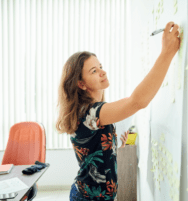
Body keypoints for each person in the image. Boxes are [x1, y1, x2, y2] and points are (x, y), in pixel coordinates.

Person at [56, 21, 180, 201]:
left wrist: (112, 147)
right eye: (94, 71)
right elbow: (137, 101)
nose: (103, 72)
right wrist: (167, 52)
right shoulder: (91, 113)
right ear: (81, 84)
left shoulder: (90, 112)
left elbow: (94, 149)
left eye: (100, 66)